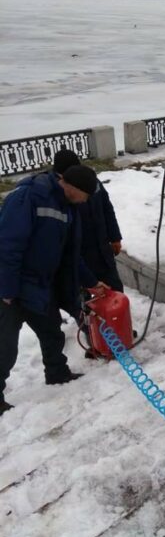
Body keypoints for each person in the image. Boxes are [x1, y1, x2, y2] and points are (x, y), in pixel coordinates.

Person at [0, 165, 105, 416]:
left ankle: (57, 373)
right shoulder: (29, 196)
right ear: (71, 187)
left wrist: (91, 281)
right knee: (5, 347)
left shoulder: (69, 208)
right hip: (11, 288)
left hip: (39, 285)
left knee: (51, 332)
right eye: (86, 195)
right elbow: (7, 246)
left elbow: (71, 254)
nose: (87, 200)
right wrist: (7, 290)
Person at [52, 149, 124, 292]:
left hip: (103, 251)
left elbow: (107, 208)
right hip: (80, 257)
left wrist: (115, 237)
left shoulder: (91, 180)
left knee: (115, 292)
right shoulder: (58, 193)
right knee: (89, 302)